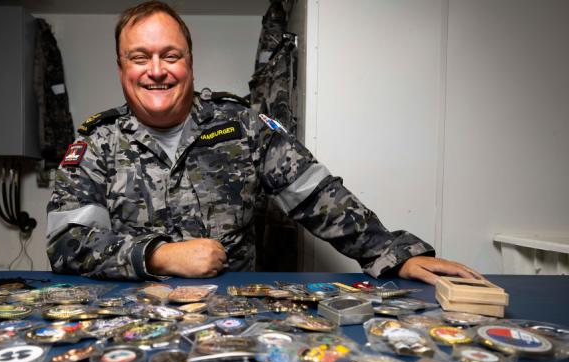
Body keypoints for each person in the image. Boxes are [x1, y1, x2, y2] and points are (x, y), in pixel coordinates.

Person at [46, 1, 481, 285]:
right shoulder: (97, 142)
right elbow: (67, 244)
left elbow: (318, 196)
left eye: (171, 56)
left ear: (190, 63)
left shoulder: (244, 126)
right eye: (140, 57)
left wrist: (393, 254)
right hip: (129, 323)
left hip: (232, 322)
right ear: (121, 68)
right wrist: (158, 256)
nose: (156, 70)